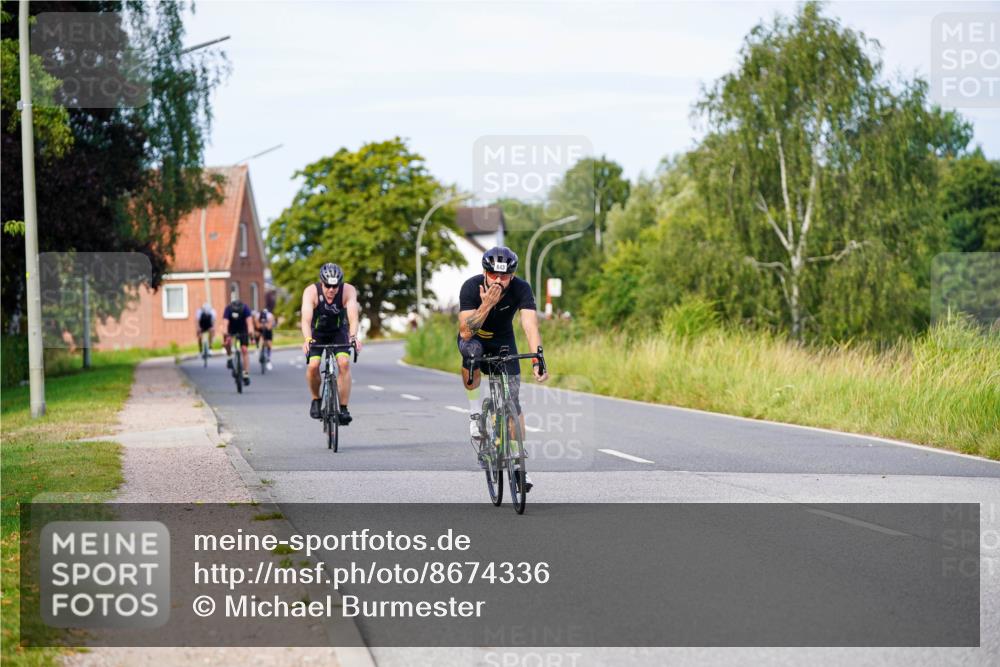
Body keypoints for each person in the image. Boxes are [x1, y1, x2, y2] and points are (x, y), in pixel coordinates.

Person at [458, 246, 548, 491]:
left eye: (505, 276)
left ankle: (519, 467)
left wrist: (537, 359)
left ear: (513, 275)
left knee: (513, 402)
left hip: (503, 341)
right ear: (484, 273)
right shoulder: (470, 286)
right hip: (476, 339)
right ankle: (475, 412)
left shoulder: (521, 288)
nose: (499, 280)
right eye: (494, 275)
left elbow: (529, 325)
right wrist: (487, 303)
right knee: (472, 354)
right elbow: (466, 332)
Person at [301, 263, 362, 423]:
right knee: (313, 365)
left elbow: (353, 318)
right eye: (327, 285)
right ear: (322, 282)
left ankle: (343, 409)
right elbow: (306, 320)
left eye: (335, 286)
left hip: (338, 332)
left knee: (344, 364)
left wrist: (354, 337)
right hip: (317, 333)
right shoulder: (311, 292)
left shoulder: (348, 291)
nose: (331, 290)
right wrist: (307, 339)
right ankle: (316, 399)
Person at [223, 296, 255, 386]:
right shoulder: (228, 309)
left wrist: (251, 336)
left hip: (243, 329)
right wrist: (225, 335)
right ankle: (229, 357)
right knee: (227, 341)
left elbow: (250, 324)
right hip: (231, 328)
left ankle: (246, 374)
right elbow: (225, 324)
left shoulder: (245, 309)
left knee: (244, 349)